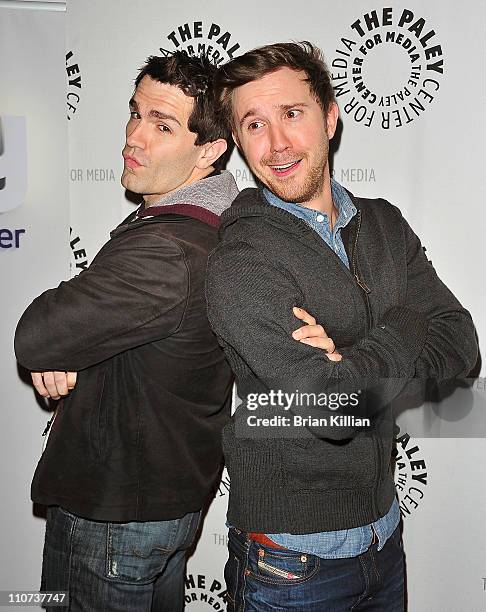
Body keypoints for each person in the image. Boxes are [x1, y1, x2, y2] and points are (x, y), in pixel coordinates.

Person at [206, 41, 478, 611]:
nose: (277, 143)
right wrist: (404, 321)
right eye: (254, 124)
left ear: (330, 117)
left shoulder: (384, 223)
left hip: (385, 531)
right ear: (237, 143)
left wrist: (352, 360)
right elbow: (333, 411)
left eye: (292, 114)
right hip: (291, 558)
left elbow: (462, 341)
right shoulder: (241, 260)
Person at [14, 51, 238, 612]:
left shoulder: (167, 249)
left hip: (117, 515)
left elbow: (37, 331)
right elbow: (93, 332)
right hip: (153, 503)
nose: (134, 137)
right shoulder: (191, 229)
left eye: (162, 126)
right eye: (135, 113)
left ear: (208, 151)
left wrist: (61, 342)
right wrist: (72, 343)